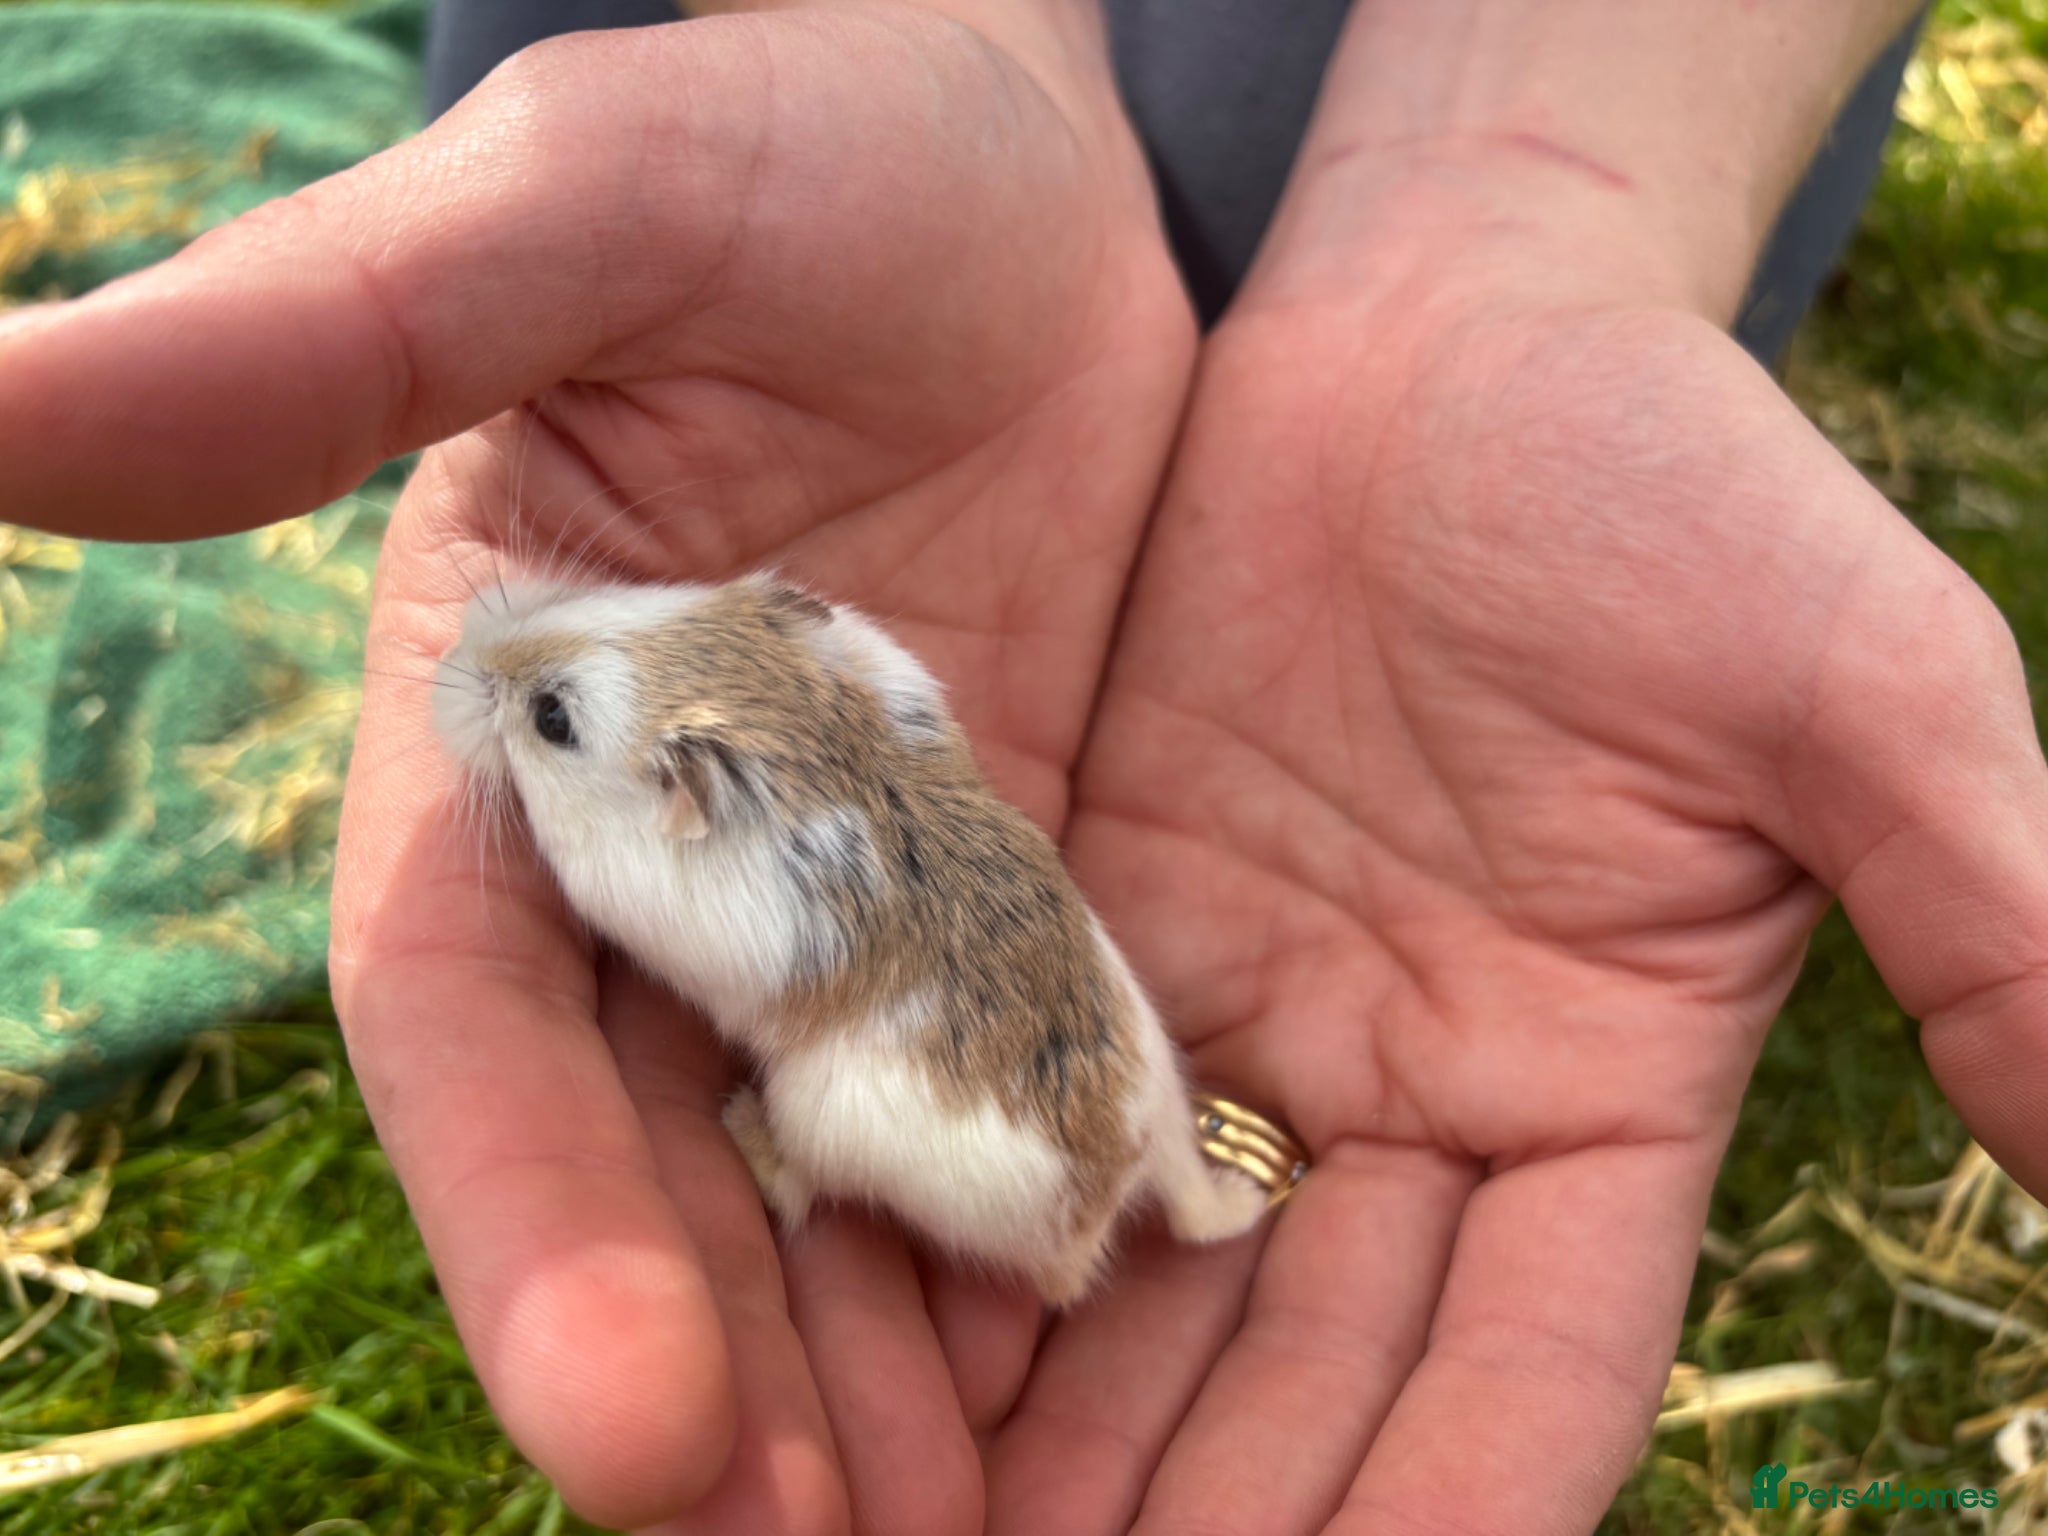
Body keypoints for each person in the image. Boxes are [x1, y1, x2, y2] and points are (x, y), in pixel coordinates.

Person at [2, 2, 2041, 1532]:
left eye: (550, 716)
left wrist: (1541, 212)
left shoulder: (702, 851)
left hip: (1032, 1125)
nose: (503, 692)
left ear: (709, 793)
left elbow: (744, 926)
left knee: (830, 1079)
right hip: (1043, 1007)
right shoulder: (801, 711)